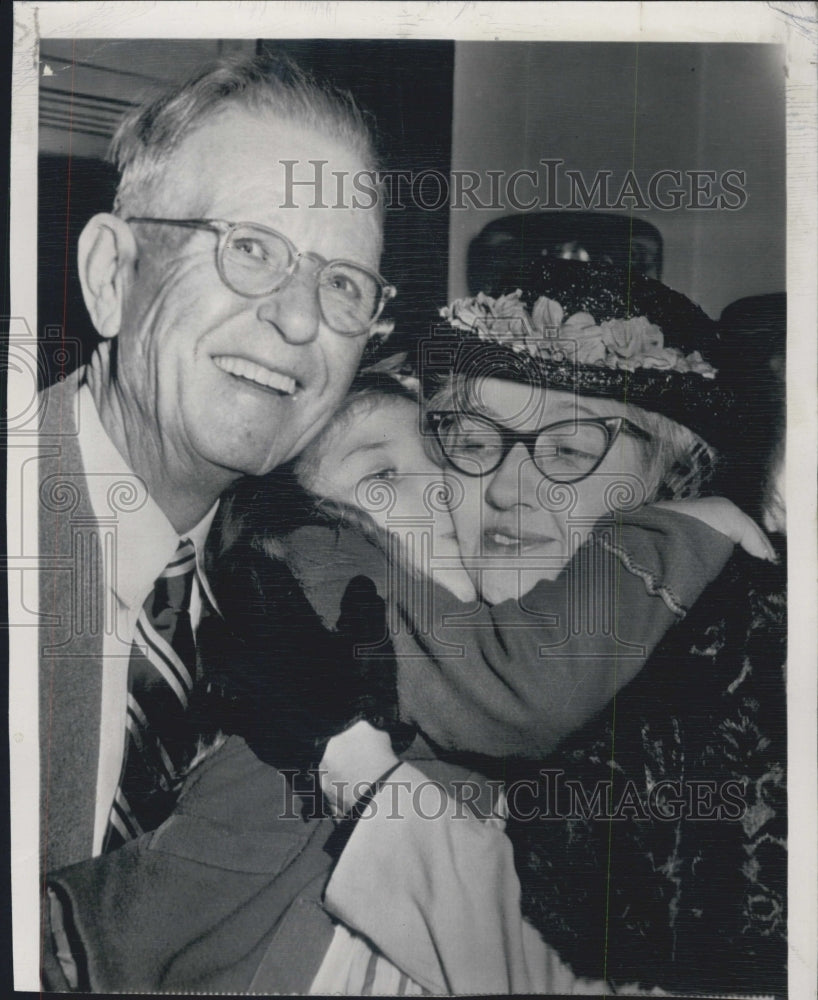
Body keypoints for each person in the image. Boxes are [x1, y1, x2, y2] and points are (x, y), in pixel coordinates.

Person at [44, 261, 776, 994]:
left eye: (571, 450)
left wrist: (354, 764)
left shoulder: (734, 682)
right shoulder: (342, 565)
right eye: (474, 443)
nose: (503, 491)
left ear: (669, 482)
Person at [37, 50, 393, 888]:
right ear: (110, 275)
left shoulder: (304, 585)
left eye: (343, 283)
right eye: (250, 248)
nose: (301, 320)